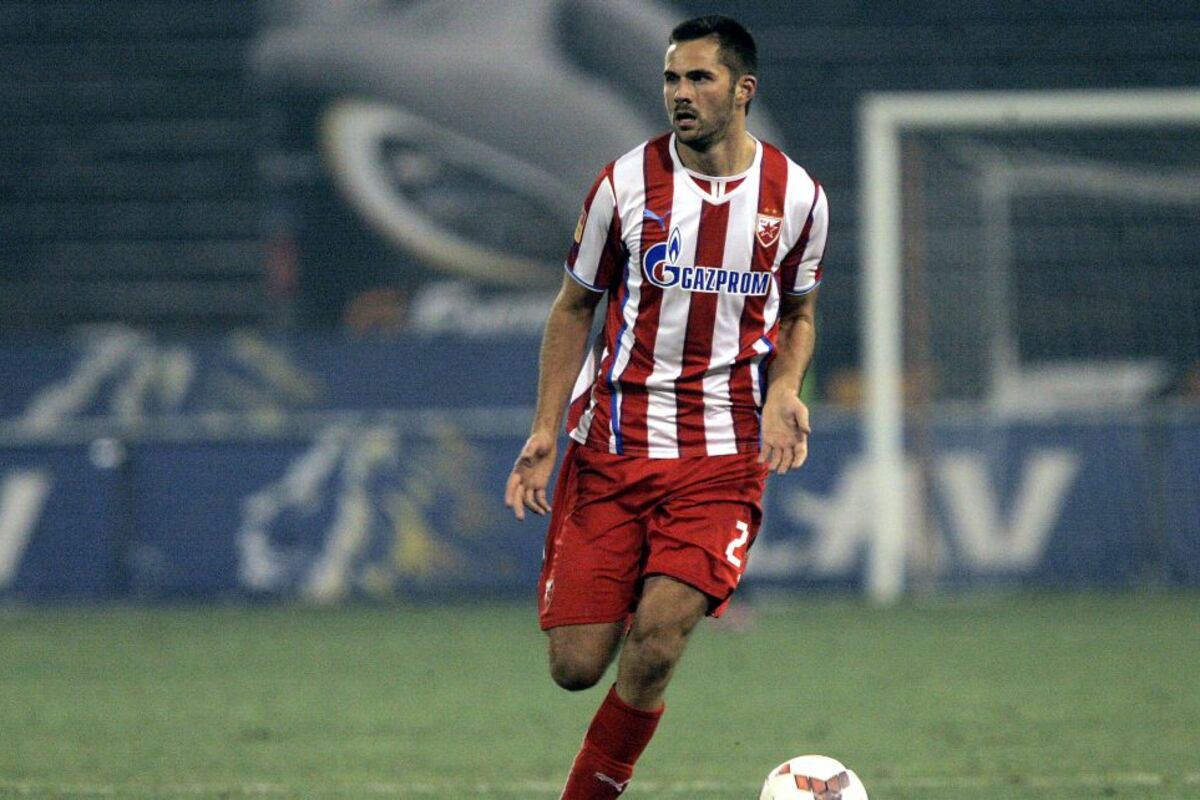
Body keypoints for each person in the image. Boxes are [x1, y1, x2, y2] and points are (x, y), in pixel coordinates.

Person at [504, 14, 828, 799]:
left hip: (722, 459)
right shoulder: (623, 186)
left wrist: (784, 389)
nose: (680, 94)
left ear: (742, 90)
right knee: (576, 666)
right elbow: (573, 307)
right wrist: (545, 428)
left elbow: (798, 315)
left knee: (655, 645)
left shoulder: (798, 198)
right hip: (612, 447)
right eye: (671, 79)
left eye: (699, 78)